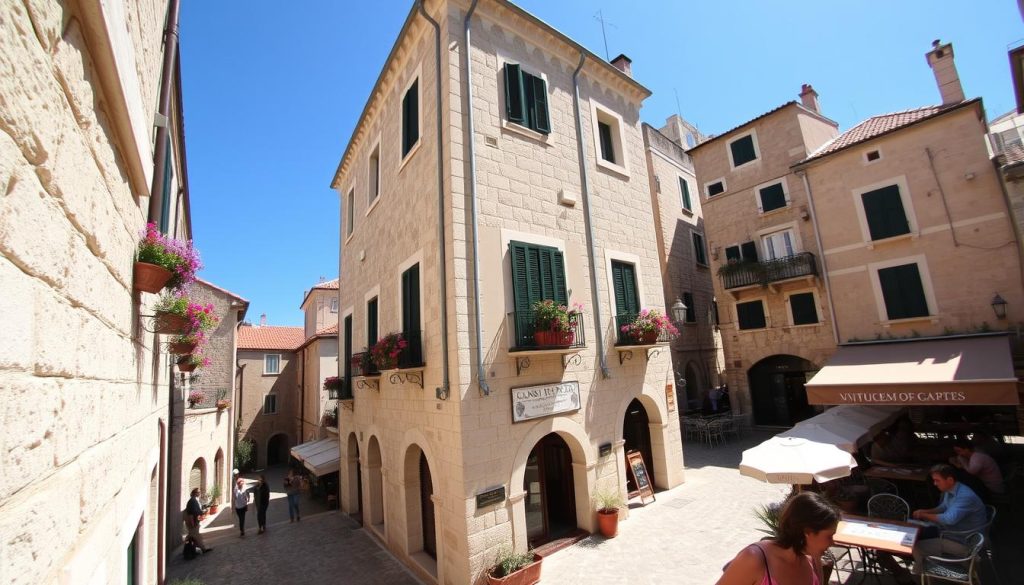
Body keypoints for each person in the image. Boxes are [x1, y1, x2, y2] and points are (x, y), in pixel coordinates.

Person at [883, 464, 987, 584]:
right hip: (951, 533)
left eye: (937, 480)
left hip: (963, 541)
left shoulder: (964, 496)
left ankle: (918, 575)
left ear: (950, 480)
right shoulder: (952, 489)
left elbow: (949, 519)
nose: (935, 484)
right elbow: (943, 507)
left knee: (913, 545)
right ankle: (919, 567)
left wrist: (924, 515)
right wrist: (925, 511)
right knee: (912, 528)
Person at [716, 492, 839, 585]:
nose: (832, 542)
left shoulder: (813, 560)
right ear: (808, 532)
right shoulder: (754, 558)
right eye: (829, 536)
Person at [184, 488, 212, 553]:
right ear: (194, 493)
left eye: (199, 492)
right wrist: (193, 523)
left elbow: (197, 510)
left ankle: (189, 549)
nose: (199, 493)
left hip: (195, 520)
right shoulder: (192, 501)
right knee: (196, 536)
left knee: (191, 535)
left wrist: (202, 513)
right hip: (193, 521)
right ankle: (203, 549)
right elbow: (191, 513)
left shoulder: (195, 500)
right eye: (198, 492)